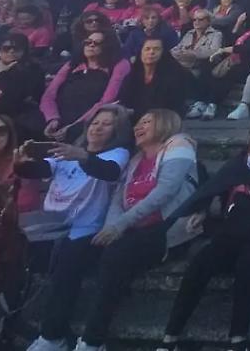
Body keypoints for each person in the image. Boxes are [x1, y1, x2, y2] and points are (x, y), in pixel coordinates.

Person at [157, 118, 250, 351]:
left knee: (248, 263)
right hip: (234, 233)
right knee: (199, 264)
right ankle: (170, 335)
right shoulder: (237, 166)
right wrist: (203, 212)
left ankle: (238, 338)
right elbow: (215, 190)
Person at [70, 109, 199, 351]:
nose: (138, 127)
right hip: (132, 228)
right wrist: (111, 227)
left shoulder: (179, 145)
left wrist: (119, 226)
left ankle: (91, 340)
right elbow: (119, 197)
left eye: (147, 122)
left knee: (115, 256)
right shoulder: (136, 159)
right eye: (138, 123)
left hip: (167, 230)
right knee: (77, 250)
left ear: (165, 124)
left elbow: (165, 192)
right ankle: (56, 331)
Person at [19, 105, 133, 351]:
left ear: (117, 130)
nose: (97, 127)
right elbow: (42, 169)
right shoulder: (67, 152)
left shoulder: (117, 154)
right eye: (94, 123)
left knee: (65, 272)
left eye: (106, 124)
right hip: (51, 224)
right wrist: (19, 164)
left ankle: (52, 336)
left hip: (87, 228)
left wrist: (81, 155)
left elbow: (109, 173)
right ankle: (16, 323)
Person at [41, 29, 131, 141]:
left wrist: (75, 125)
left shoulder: (119, 65)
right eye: (88, 42)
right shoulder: (72, 64)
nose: (91, 45)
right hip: (58, 117)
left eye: (97, 43)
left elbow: (106, 101)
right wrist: (52, 119)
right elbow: (49, 95)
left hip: (89, 120)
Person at [0, 32, 45, 140]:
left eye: (17, 48)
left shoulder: (33, 69)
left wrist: (2, 75)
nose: (11, 51)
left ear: (24, 51)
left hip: (17, 115)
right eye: (6, 48)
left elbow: (16, 97)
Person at [119, 38, 189, 119]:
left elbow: (168, 105)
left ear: (163, 52)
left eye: (157, 49)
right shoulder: (132, 73)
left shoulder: (175, 74)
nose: (151, 52)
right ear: (141, 52)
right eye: (147, 49)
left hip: (164, 118)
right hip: (134, 117)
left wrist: (135, 112)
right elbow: (124, 98)